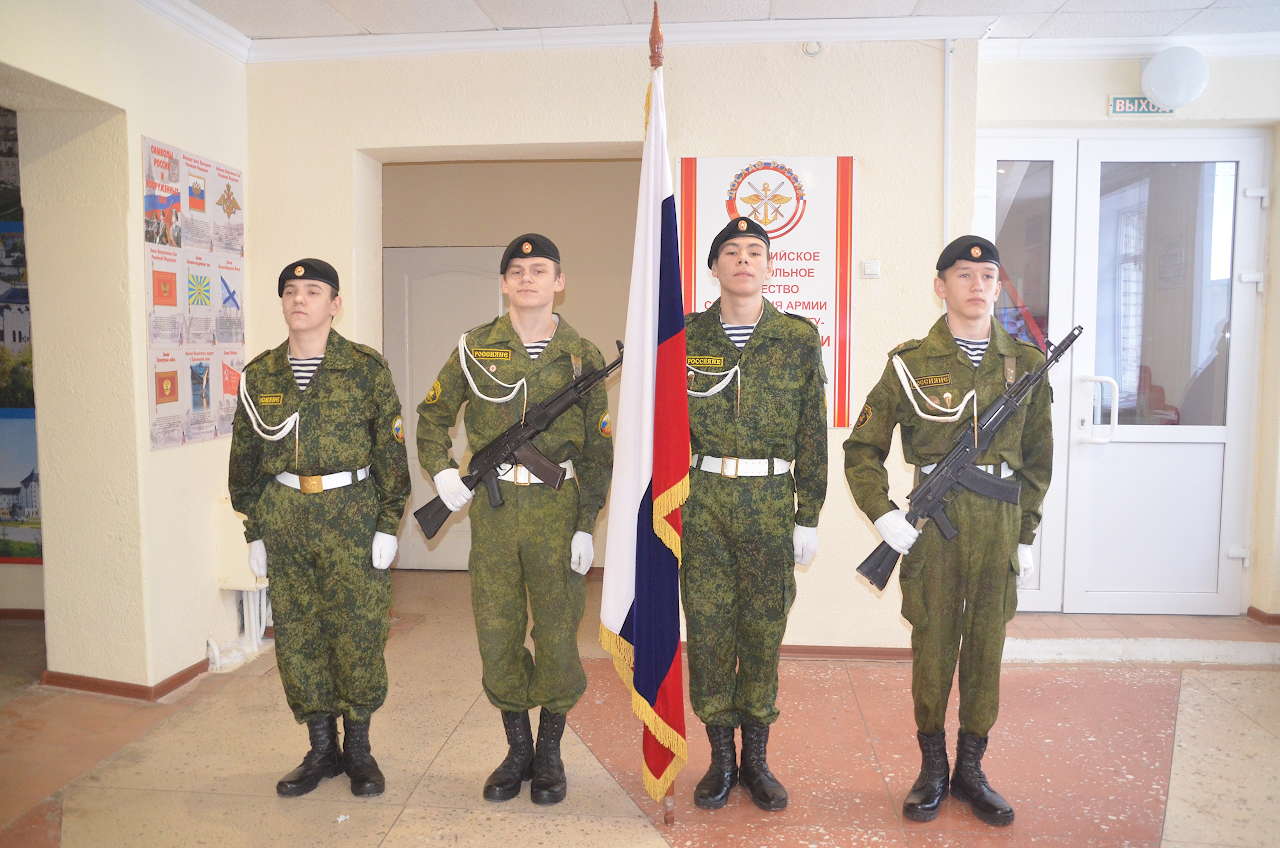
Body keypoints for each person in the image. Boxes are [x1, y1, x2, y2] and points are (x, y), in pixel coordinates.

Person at [843, 236, 1053, 827]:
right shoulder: (909, 363)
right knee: (934, 643)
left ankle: (972, 770)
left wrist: (1025, 534)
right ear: (940, 286)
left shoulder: (1028, 364)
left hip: (999, 522)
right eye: (964, 274)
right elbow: (862, 449)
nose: (977, 285)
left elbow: (1039, 460)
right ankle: (933, 768)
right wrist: (883, 513)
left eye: (987, 276)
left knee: (986, 647)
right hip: (934, 527)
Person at [416, 234, 613, 805]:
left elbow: (598, 453)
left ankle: (549, 752)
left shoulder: (582, 356)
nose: (528, 278)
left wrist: (586, 523)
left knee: (556, 634)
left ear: (559, 282)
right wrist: (442, 471)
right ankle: (517, 750)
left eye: (540, 269)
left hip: (557, 510)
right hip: (495, 512)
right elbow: (431, 416)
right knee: (497, 631)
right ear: (503, 283)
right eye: (517, 270)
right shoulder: (474, 347)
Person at [229, 257, 411, 799]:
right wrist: (255, 531)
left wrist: (388, 523)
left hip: (351, 516)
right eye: (290, 291)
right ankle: (320, 748)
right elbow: (244, 462)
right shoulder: (260, 375)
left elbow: (390, 455)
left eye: (312, 291)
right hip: (286, 516)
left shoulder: (365, 368)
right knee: (298, 633)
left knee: (358, 632)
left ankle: (359, 750)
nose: (299, 299)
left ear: (335, 305)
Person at [682, 217, 828, 812]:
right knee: (709, 628)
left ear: (769, 266)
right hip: (703, 501)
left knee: (764, 631)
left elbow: (813, 432)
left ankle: (757, 761)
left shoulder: (797, 338)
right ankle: (721, 759)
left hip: (770, 502)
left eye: (755, 252)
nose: (744, 260)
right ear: (714, 267)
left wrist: (808, 514)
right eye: (731, 251)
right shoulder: (683, 337)